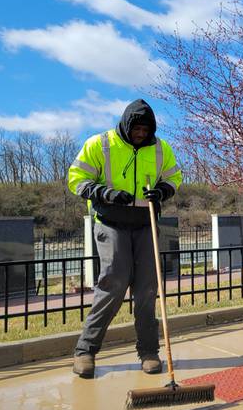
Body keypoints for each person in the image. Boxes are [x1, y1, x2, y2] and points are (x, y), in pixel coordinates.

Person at [67, 99, 182, 378]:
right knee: (114, 283)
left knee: (146, 289)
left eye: (146, 130)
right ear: (126, 125)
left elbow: (174, 177)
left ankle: (149, 352)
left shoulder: (160, 148)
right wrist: (104, 193)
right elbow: (75, 178)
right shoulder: (100, 144)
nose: (141, 134)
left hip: (145, 225)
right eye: (137, 129)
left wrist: (163, 191)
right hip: (111, 222)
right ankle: (86, 351)